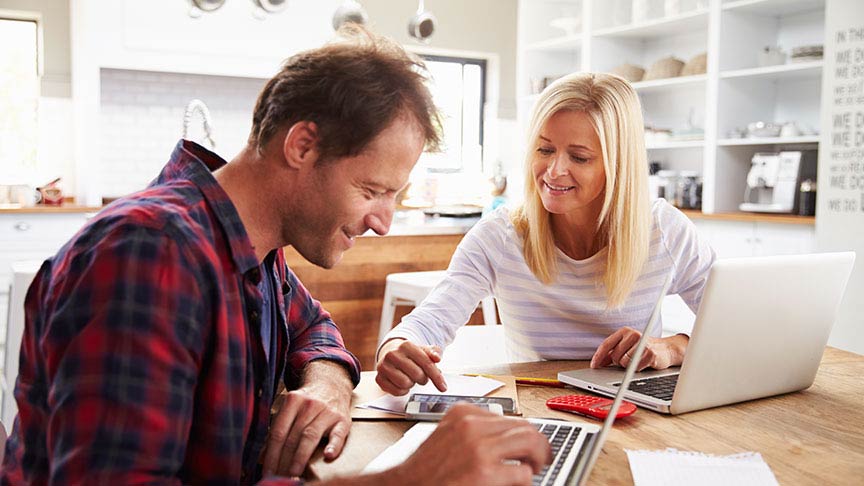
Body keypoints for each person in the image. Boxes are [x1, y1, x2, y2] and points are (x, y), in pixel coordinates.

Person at [1, 27, 551, 485]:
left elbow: (316, 328)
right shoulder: (151, 253)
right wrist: (405, 481)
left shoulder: (253, 248)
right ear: (302, 146)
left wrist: (327, 384)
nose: (383, 221)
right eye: (372, 189)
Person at [376, 72, 716, 396]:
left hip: (632, 411)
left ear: (619, 165)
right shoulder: (501, 236)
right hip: (535, 409)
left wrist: (673, 347)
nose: (554, 171)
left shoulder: (665, 232)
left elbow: (737, 330)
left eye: (579, 157)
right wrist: (396, 347)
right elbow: (430, 320)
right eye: (545, 150)